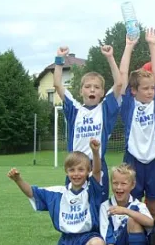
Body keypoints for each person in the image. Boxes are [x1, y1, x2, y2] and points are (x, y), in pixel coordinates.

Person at [7, 139, 106, 245]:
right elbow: (32, 193)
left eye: (81, 169)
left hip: (88, 237)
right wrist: (18, 180)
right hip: (68, 242)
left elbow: (97, 171)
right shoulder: (57, 193)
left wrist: (95, 152)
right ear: (66, 171)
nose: (76, 174)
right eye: (72, 170)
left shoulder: (92, 189)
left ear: (88, 171)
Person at [53, 46, 123, 199]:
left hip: (96, 165)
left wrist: (110, 57)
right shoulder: (75, 110)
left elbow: (119, 84)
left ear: (102, 92)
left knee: (99, 207)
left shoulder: (105, 109)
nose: (92, 90)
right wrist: (59, 60)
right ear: (80, 91)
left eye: (97, 87)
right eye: (88, 86)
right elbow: (58, 85)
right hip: (76, 167)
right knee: (75, 205)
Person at [118, 29, 155, 220]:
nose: (150, 92)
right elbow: (123, 75)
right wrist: (129, 46)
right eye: (145, 89)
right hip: (132, 161)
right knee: (131, 210)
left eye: (151, 88)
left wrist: (152, 44)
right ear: (133, 91)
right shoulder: (128, 105)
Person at [97, 163, 154, 245]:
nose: (119, 187)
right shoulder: (105, 206)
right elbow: (107, 237)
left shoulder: (138, 205)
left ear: (132, 185)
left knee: (133, 219)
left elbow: (150, 222)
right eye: (115, 183)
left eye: (123, 183)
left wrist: (126, 211)